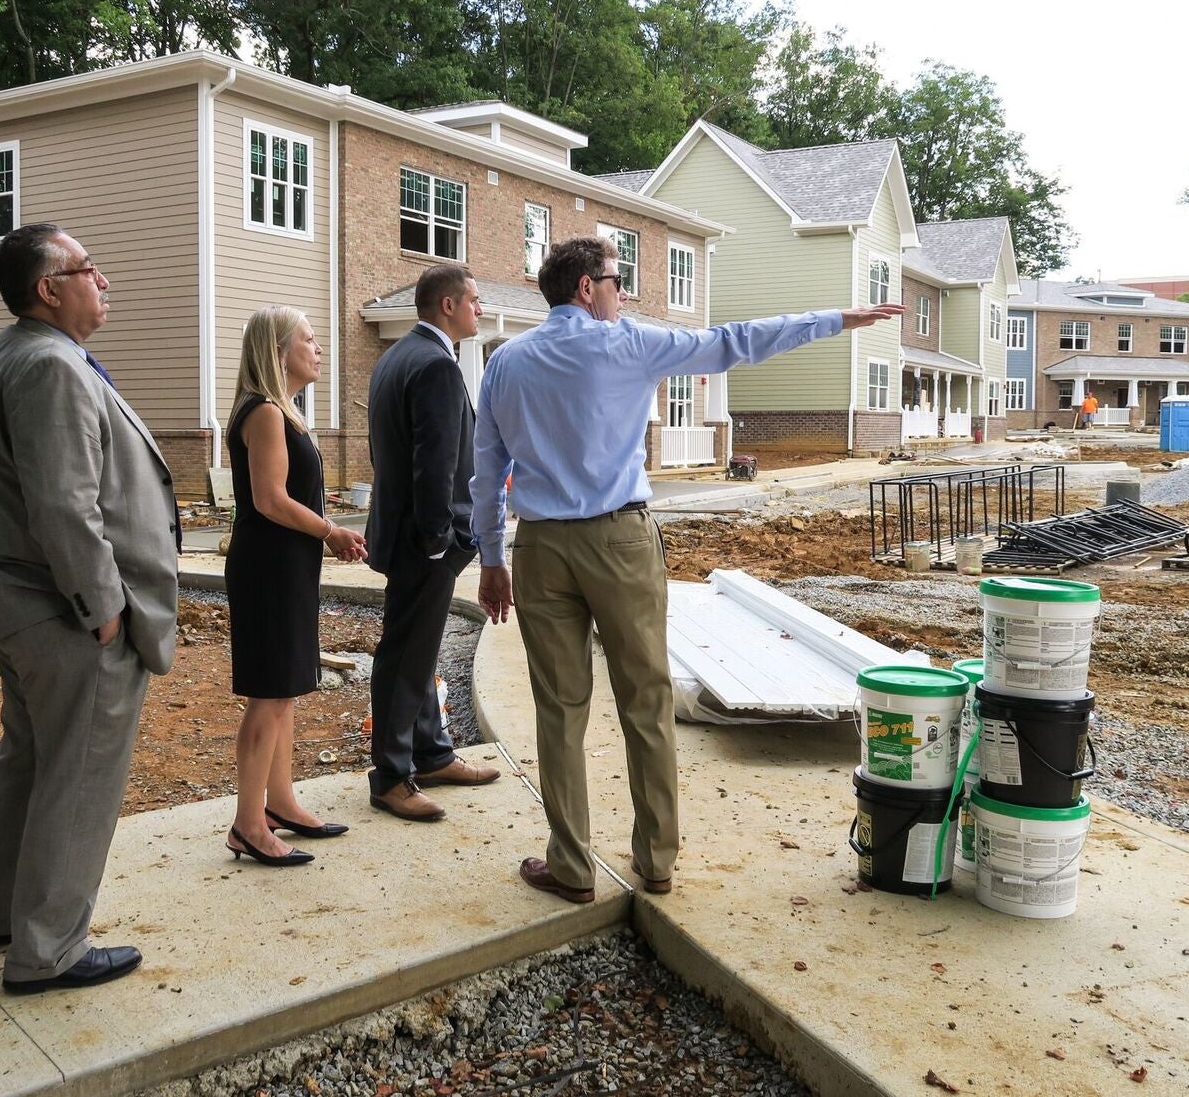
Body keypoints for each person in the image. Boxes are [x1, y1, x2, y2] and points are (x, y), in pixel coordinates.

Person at [470, 235, 904, 903]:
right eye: (617, 281)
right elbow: (736, 341)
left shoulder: (506, 362)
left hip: (539, 549)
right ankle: (656, 860)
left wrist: (492, 557)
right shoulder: (631, 344)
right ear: (587, 288)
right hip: (620, 542)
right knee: (645, 700)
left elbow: (487, 470)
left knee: (559, 710)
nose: (623, 293)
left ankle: (571, 867)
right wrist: (836, 319)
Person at [0, 223, 179, 993]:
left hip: (16, 605)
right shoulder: (50, 366)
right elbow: (63, 507)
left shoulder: (5, 357)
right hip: (66, 616)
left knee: (28, 761)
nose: (102, 280)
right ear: (49, 288)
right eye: (88, 269)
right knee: (76, 777)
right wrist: (103, 607)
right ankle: (48, 951)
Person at [224, 306, 366, 866]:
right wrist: (331, 529)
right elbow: (270, 500)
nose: (319, 348)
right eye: (309, 339)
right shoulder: (263, 413)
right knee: (269, 694)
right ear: (279, 351)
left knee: (285, 689)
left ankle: (279, 803)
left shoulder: (284, 413)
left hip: (287, 565)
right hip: (268, 568)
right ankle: (247, 825)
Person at [364, 265, 501, 822]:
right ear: (447, 305)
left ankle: (433, 753)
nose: (479, 307)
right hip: (424, 542)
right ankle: (392, 777)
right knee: (404, 654)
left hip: (403, 536)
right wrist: (440, 539)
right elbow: (434, 464)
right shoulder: (436, 366)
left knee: (416, 648)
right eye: (473, 299)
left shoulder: (394, 358)